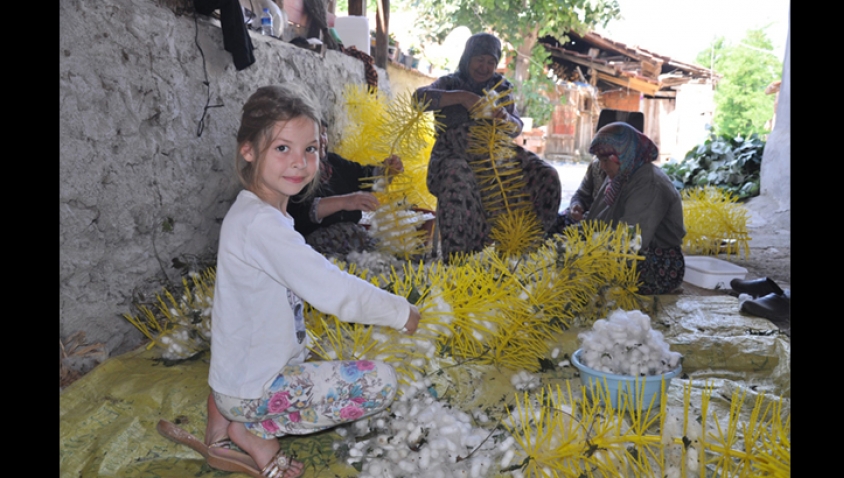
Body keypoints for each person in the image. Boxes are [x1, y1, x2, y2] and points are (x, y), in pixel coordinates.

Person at [157, 84, 421, 478]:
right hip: (251, 390)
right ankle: (253, 429)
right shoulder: (262, 225)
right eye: (283, 148)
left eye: (310, 149)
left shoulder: (259, 213)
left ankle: (224, 418)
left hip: (240, 378)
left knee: (294, 341)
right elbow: (332, 289)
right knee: (379, 383)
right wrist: (401, 312)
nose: (299, 162)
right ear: (249, 150)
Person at [413, 32, 562, 258]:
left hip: (497, 155)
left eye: (491, 62)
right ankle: (460, 260)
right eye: (479, 59)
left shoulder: (502, 87)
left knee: (546, 174)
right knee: (458, 178)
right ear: (467, 58)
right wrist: (461, 97)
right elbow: (418, 100)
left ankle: (524, 248)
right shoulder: (451, 82)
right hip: (454, 156)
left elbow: (517, 126)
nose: (484, 67)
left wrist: (505, 119)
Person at [584, 122, 686, 295]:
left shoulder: (649, 183)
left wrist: (586, 257)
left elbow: (630, 242)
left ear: (624, 155)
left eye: (605, 160)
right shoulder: (619, 177)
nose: (602, 166)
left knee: (589, 276)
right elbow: (594, 221)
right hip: (619, 249)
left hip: (657, 262)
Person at [286, 120, 403, 256]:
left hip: (352, 239)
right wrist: (345, 202)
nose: (322, 140)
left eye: (323, 133)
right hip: (318, 248)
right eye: (315, 135)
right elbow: (300, 214)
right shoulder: (294, 171)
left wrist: (386, 170)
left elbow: (362, 177)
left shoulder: (332, 162)